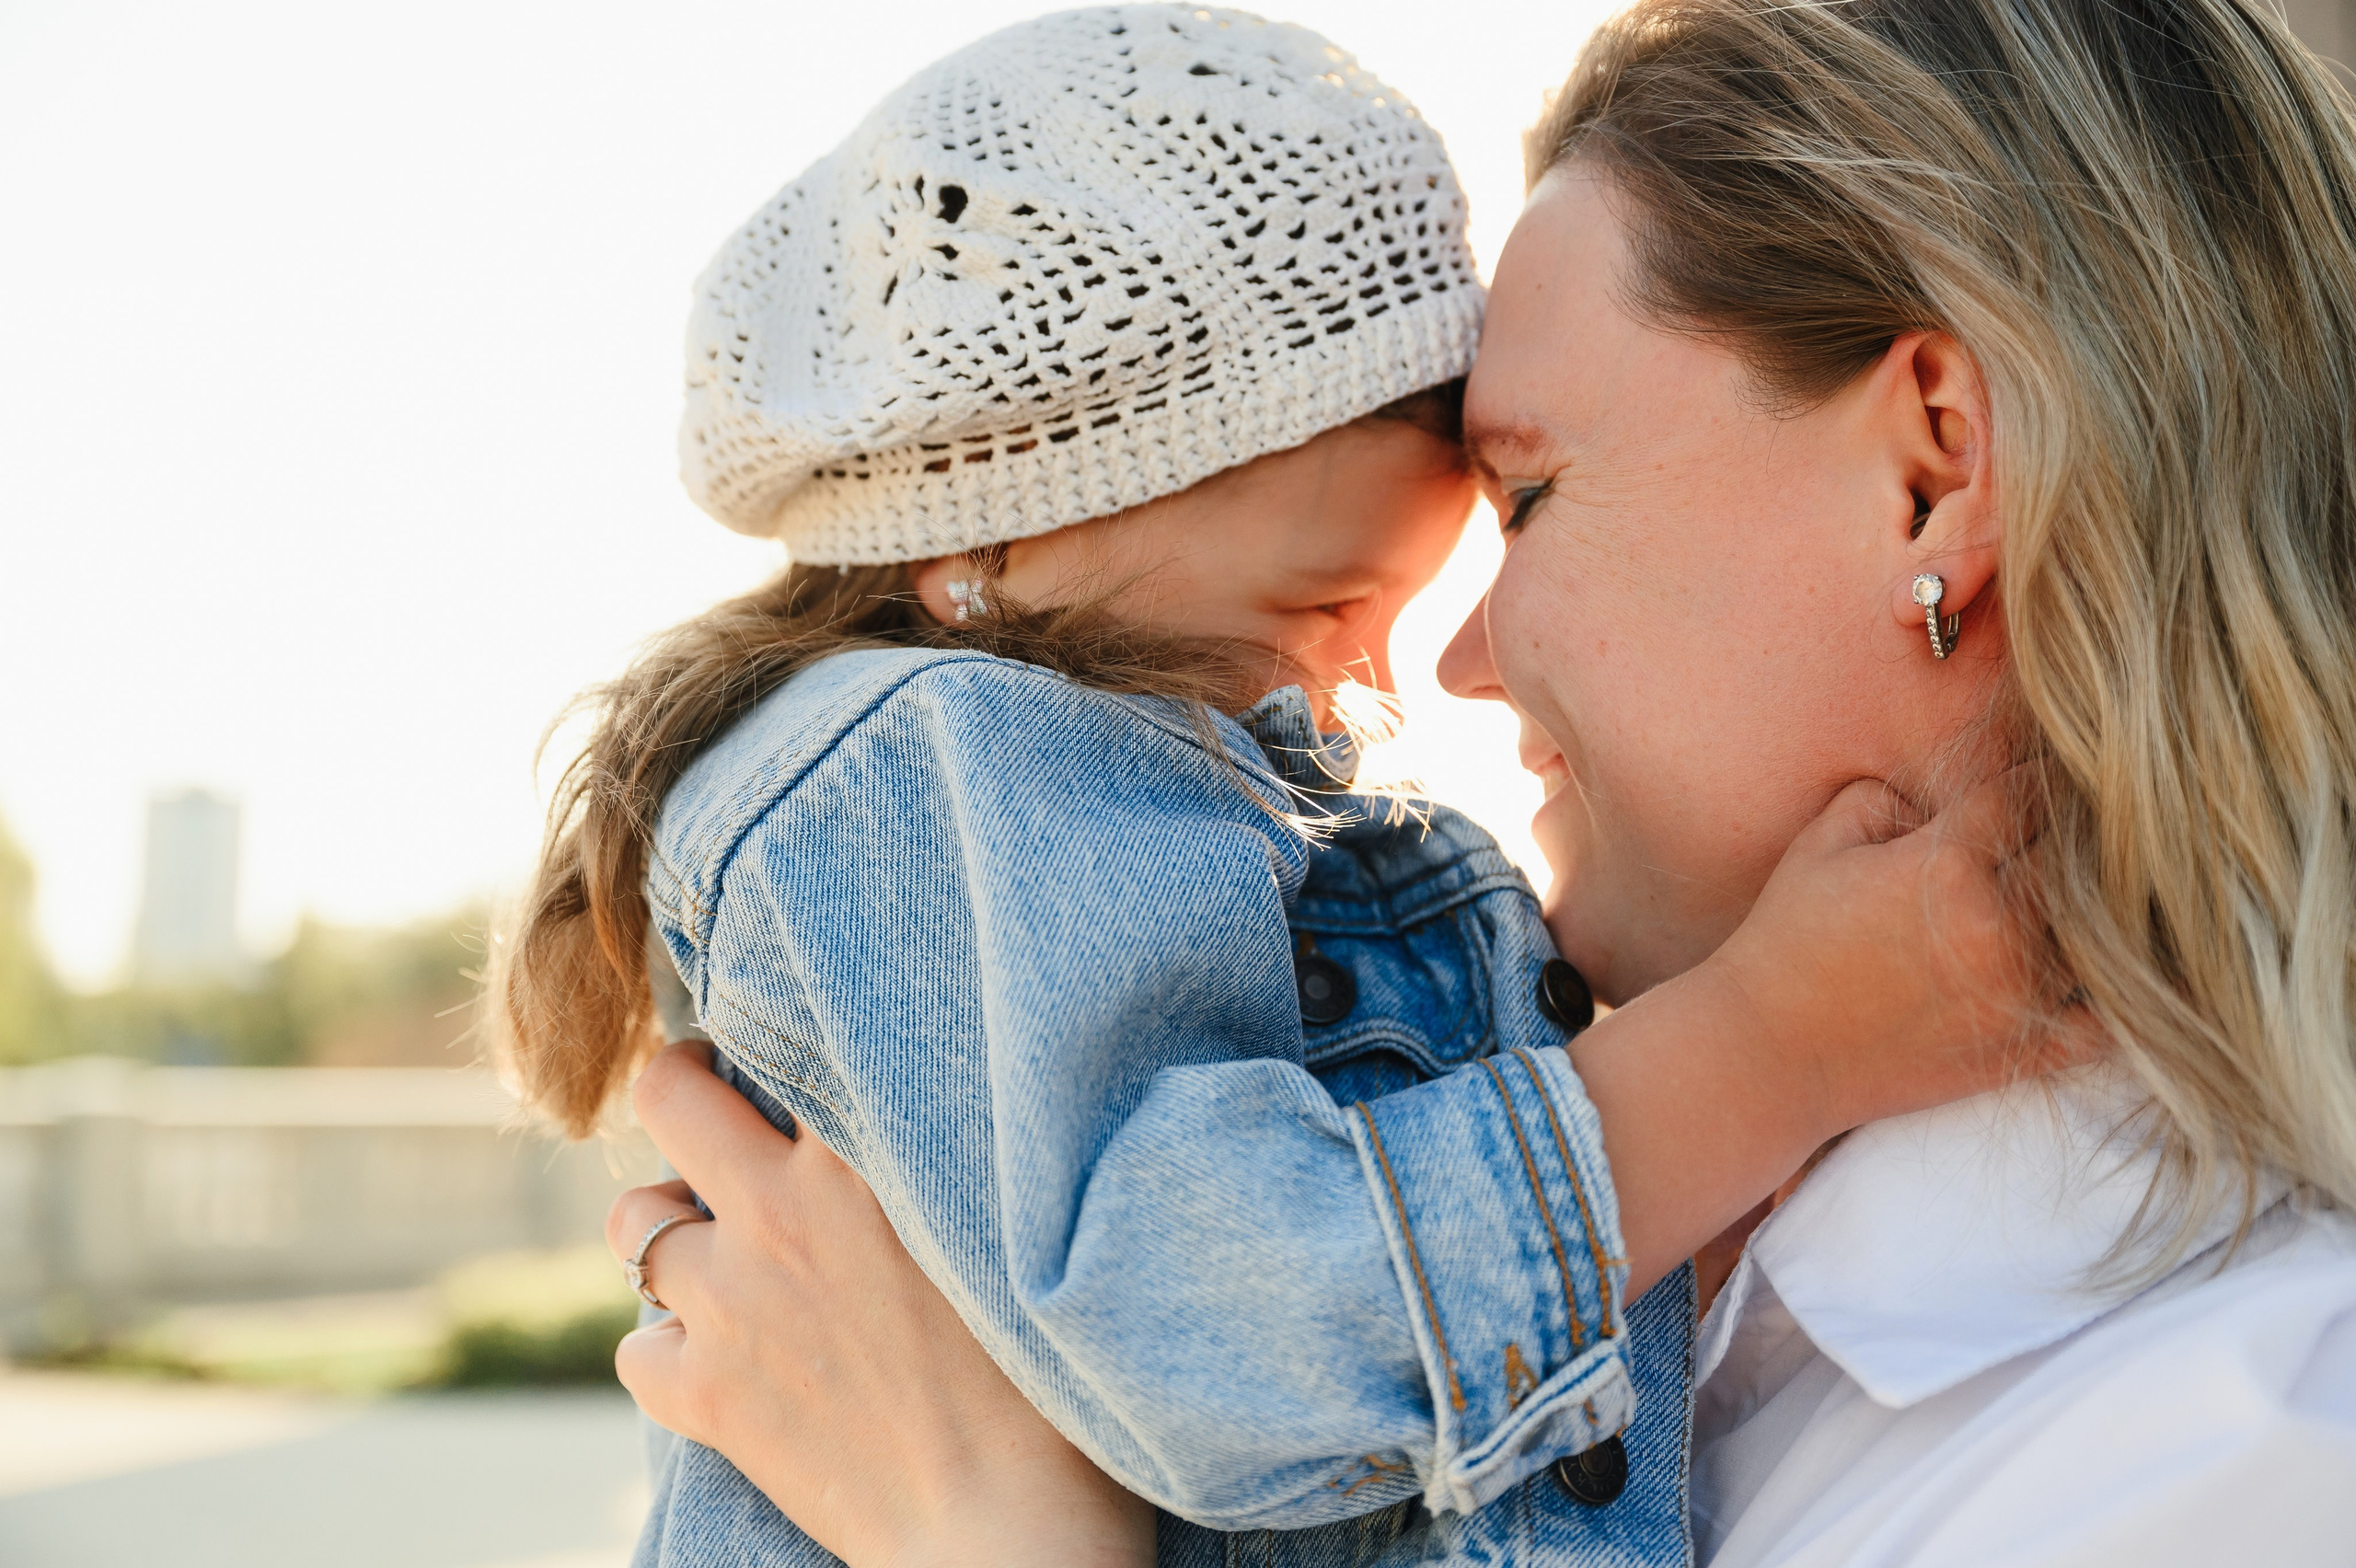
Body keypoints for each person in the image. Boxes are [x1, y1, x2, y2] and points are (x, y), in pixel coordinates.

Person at [602, 0, 2356, 1562]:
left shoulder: (2255, 1435)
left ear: (1930, 472)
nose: (1450, 663)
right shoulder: (1718, 1258)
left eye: (1525, 496)